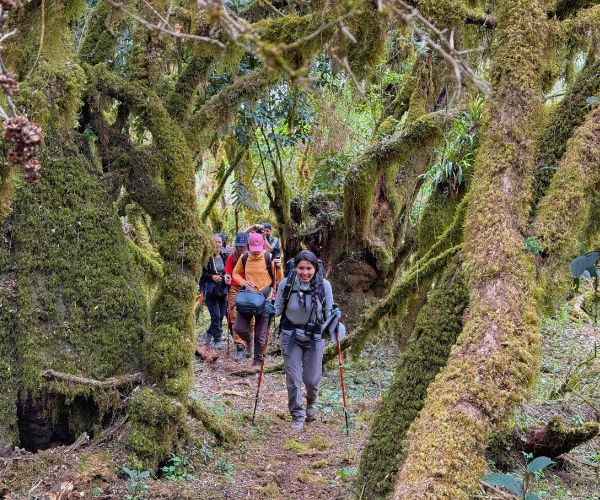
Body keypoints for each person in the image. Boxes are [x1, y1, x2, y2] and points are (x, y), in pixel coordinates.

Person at [268, 250, 341, 432]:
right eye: (301, 268)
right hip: (290, 336)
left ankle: (312, 400)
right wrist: (268, 309)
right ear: (296, 268)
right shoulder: (286, 284)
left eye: (309, 268)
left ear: (315, 269)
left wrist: (334, 315)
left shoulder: (325, 286)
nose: (305, 272)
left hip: (315, 338)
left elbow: (327, 313)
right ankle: (297, 415)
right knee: (293, 379)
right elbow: (277, 310)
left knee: (311, 379)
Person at [232, 233, 283, 366]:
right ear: (248, 246)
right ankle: (249, 341)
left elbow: (279, 279)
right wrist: (243, 282)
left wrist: (279, 267)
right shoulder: (244, 257)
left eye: (258, 249)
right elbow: (235, 273)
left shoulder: (268, 257)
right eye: (253, 250)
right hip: (248, 298)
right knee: (239, 328)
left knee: (261, 334)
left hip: (265, 298)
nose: (255, 253)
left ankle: (257, 361)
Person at [225, 232, 255, 361]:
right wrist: (226, 278)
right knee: (234, 316)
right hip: (235, 288)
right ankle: (239, 346)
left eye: (243, 246)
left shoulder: (253, 256)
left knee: (251, 318)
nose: (241, 248)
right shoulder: (232, 256)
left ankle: (249, 340)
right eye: (239, 246)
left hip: (249, 289)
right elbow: (228, 272)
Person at [199, 234, 231, 350]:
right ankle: (217, 340)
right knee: (216, 316)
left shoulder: (225, 255)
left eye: (219, 242)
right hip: (210, 290)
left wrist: (227, 277)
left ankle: (208, 333)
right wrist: (212, 276)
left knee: (221, 316)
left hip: (222, 289)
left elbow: (228, 270)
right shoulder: (205, 257)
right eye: (215, 242)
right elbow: (200, 273)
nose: (218, 244)